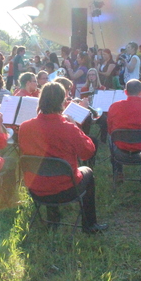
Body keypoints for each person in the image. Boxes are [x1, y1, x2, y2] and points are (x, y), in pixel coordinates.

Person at [19, 82, 107, 234]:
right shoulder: (68, 127)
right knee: (88, 172)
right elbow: (88, 152)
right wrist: (76, 127)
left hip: (35, 188)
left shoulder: (25, 126)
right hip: (65, 189)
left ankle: (53, 219)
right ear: (62, 102)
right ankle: (90, 225)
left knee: (45, 169)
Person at [107, 79, 141, 185]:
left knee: (110, 136)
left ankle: (118, 172)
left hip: (120, 153)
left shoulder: (114, 107)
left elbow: (110, 129)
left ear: (125, 92)